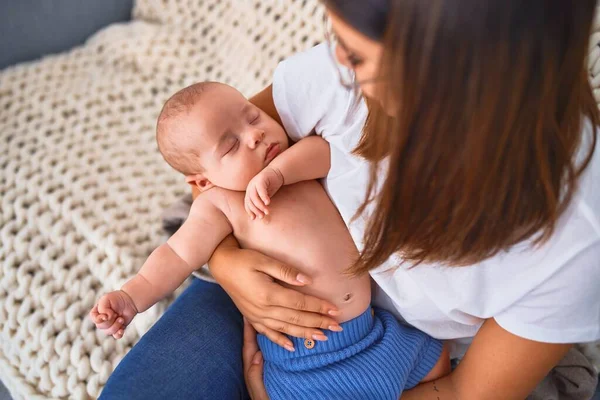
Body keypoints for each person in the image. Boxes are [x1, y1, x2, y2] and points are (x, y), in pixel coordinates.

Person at [101, 1, 600, 399]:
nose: (337, 61)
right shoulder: (336, 76)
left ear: (445, 75)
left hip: (395, 345)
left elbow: (465, 390)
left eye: (357, 56)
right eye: (339, 41)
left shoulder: (576, 239)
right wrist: (229, 265)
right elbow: (214, 165)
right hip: (264, 314)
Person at [92, 81, 448, 399]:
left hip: (375, 335)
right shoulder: (219, 205)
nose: (255, 136)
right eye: (231, 147)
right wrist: (131, 296)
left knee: (438, 361)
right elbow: (177, 254)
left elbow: (327, 155)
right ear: (203, 182)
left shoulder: (293, 159)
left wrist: (279, 173)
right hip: (307, 361)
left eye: (253, 117)